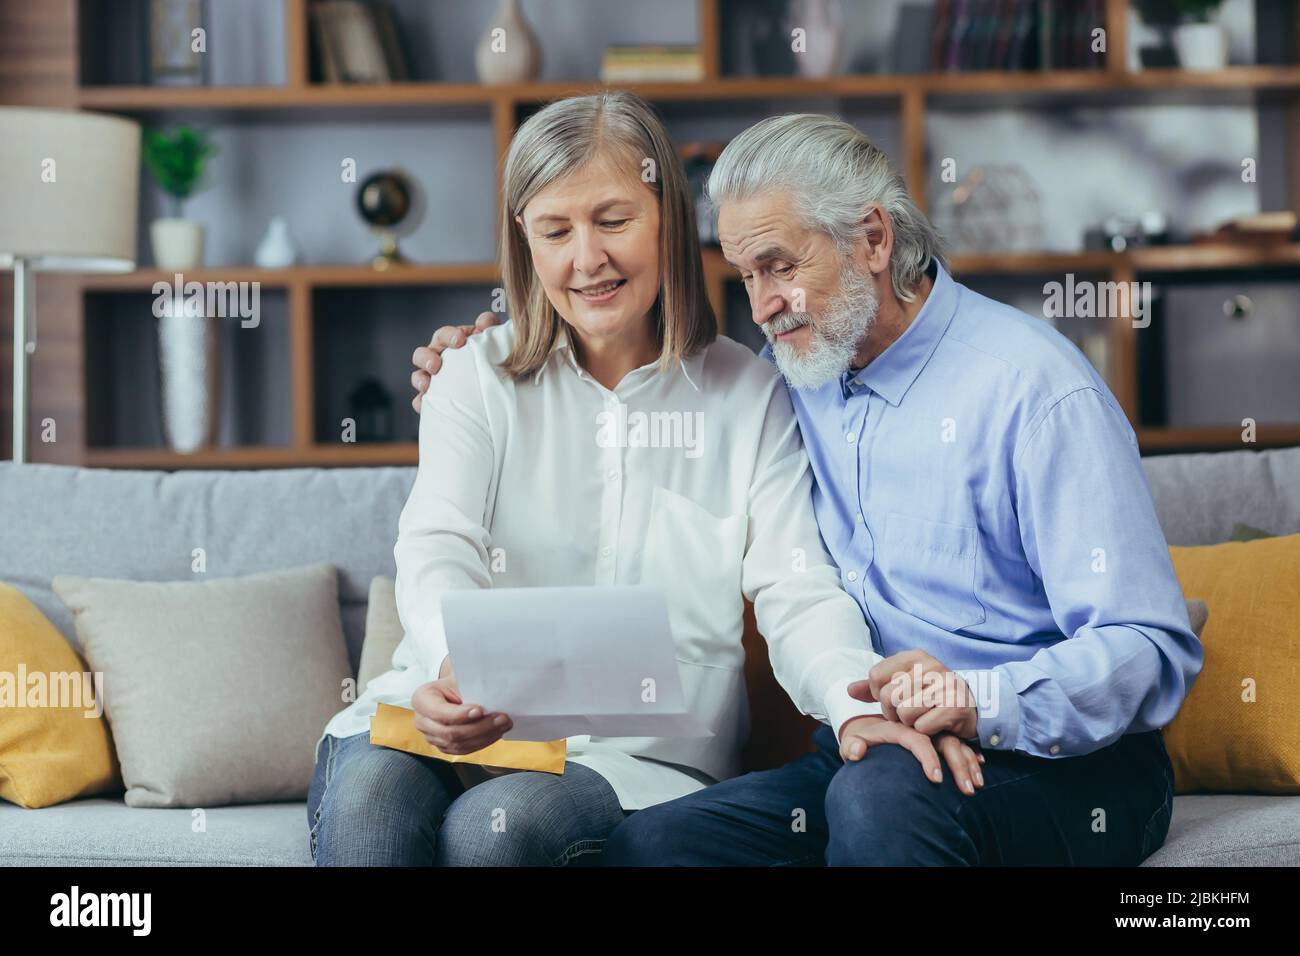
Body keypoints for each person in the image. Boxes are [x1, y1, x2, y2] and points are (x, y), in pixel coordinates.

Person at [418, 113, 1203, 866]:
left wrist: (979, 700)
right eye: (746, 274)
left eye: (782, 267)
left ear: (871, 237)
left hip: (1061, 761)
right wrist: (468, 358)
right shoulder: (799, 371)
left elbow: (1152, 648)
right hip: (876, 741)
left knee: (880, 802)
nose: (762, 305)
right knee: (653, 846)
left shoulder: (1035, 393)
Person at [310, 93, 983, 868]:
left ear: (668, 220)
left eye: (614, 220)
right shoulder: (474, 378)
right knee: (369, 811)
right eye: (555, 230)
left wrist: (850, 701)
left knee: (497, 832)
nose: (586, 259)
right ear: (523, 239)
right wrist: (445, 665)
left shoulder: (752, 394)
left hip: (632, 758)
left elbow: (796, 591)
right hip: (434, 709)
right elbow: (437, 546)